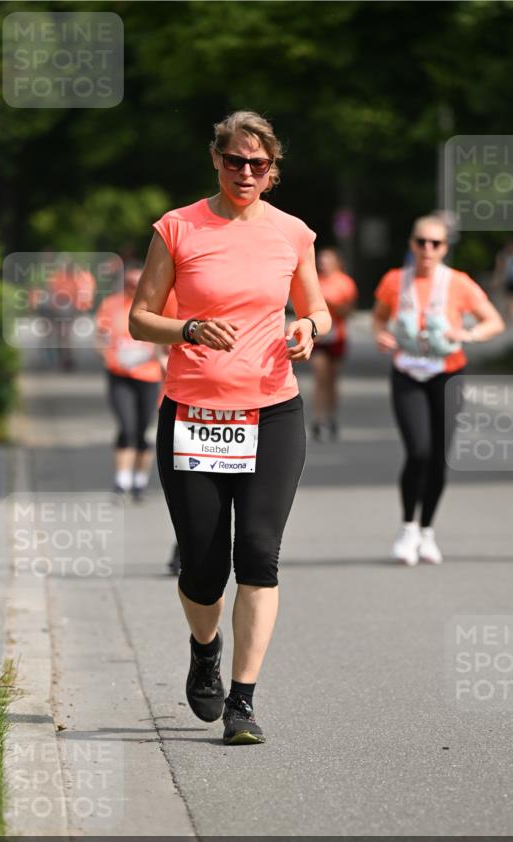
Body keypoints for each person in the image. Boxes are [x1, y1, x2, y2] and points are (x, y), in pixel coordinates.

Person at [128, 110, 330, 744]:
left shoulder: (293, 233)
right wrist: (186, 328)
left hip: (273, 409)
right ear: (216, 159)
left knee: (260, 556)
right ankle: (204, 645)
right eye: (235, 160)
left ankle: (242, 702)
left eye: (259, 164)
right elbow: (139, 319)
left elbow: (316, 305)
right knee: (202, 568)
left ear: (273, 170)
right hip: (194, 413)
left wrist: (309, 328)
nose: (246, 172)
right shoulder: (179, 228)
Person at [373, 214, 504, 565]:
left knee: (438, 459)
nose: (427, 249)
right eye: (421, 242)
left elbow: (494, 321)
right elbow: (378, 317)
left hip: (447, 375)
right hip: (407, 373)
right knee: (418, 451)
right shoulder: (394, 280)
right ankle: (407, 528)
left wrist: (469, 335)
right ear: (411, 244)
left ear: (445, 248)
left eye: (436, 243)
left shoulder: (458, 283)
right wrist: (380, 335)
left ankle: (427, 531)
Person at [95, 268, 163, 499]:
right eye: (129, 284)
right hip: (120, 374)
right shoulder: (112, 304)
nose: (133, 288)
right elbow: (101, 334)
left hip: (148, 375)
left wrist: (160, 356)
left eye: (138, 284)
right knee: (126, 427)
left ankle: (140, 481)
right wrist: (106, 355)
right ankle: (121, 480)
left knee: (143, 430)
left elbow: (166, 337)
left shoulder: (156, 304)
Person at [310, 248, 357, 440]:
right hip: (320, 337)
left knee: (332, 381)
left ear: (336, 263)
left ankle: (331, 417)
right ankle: (319, 420)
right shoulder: (314, 281)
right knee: (320, 378)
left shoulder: (344, 283)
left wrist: (333, 305)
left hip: (337, 336)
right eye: (320, 260)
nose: (322, 264)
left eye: (327, 260)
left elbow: (348, 312)